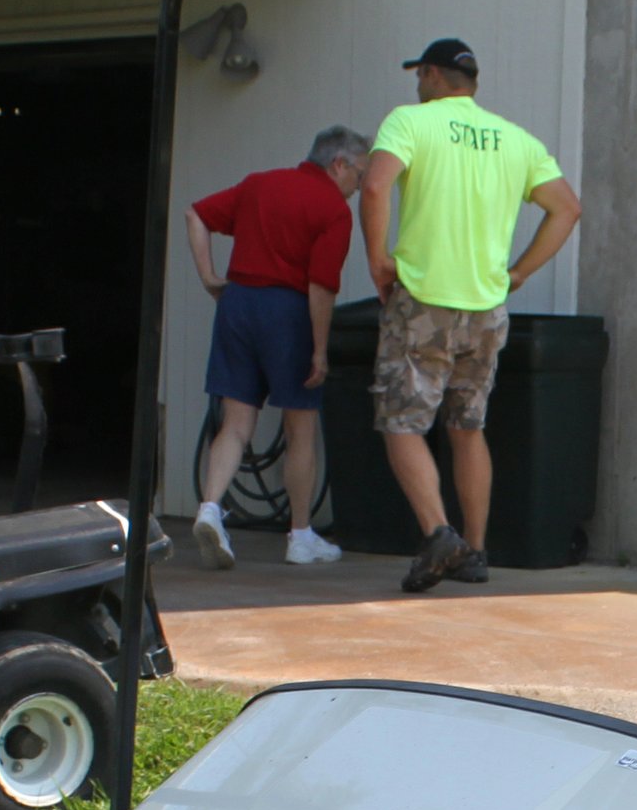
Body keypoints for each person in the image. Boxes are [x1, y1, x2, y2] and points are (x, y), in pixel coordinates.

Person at [360, 35, 581, 591]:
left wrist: (378, 260)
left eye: (420, 74)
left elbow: (375, 186)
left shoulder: (410, 122)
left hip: (424, 298)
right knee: (467, 426)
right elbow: (566, 208)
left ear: (433, 76)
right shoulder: (517, 140)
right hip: (486, 306)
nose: (418, 84)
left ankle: (439, 534)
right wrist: (519, 271)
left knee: (401, 421)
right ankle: (475, 552)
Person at [186, 124, 370, 568]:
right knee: (300, 428)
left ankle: (210, 508)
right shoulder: (333, 209)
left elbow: (196, 215)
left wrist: (210, 278)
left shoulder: (259, 184)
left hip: (238, 305)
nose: (360, 186)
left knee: (235, 423)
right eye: (359, 175)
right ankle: (300, 537)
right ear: (338, 164)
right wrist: (320, 351)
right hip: (288, 312)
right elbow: (321, 287)